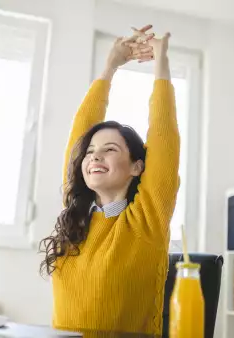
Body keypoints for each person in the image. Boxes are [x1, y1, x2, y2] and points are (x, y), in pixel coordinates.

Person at [38, 24, 180, 336]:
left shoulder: (146, 220)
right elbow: (80, 135)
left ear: (137, 167)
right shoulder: (77, 216)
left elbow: (164, 136)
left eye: (110, 149)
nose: (94, 157)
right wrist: (109, 67)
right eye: (91, 152)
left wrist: (160, 62)